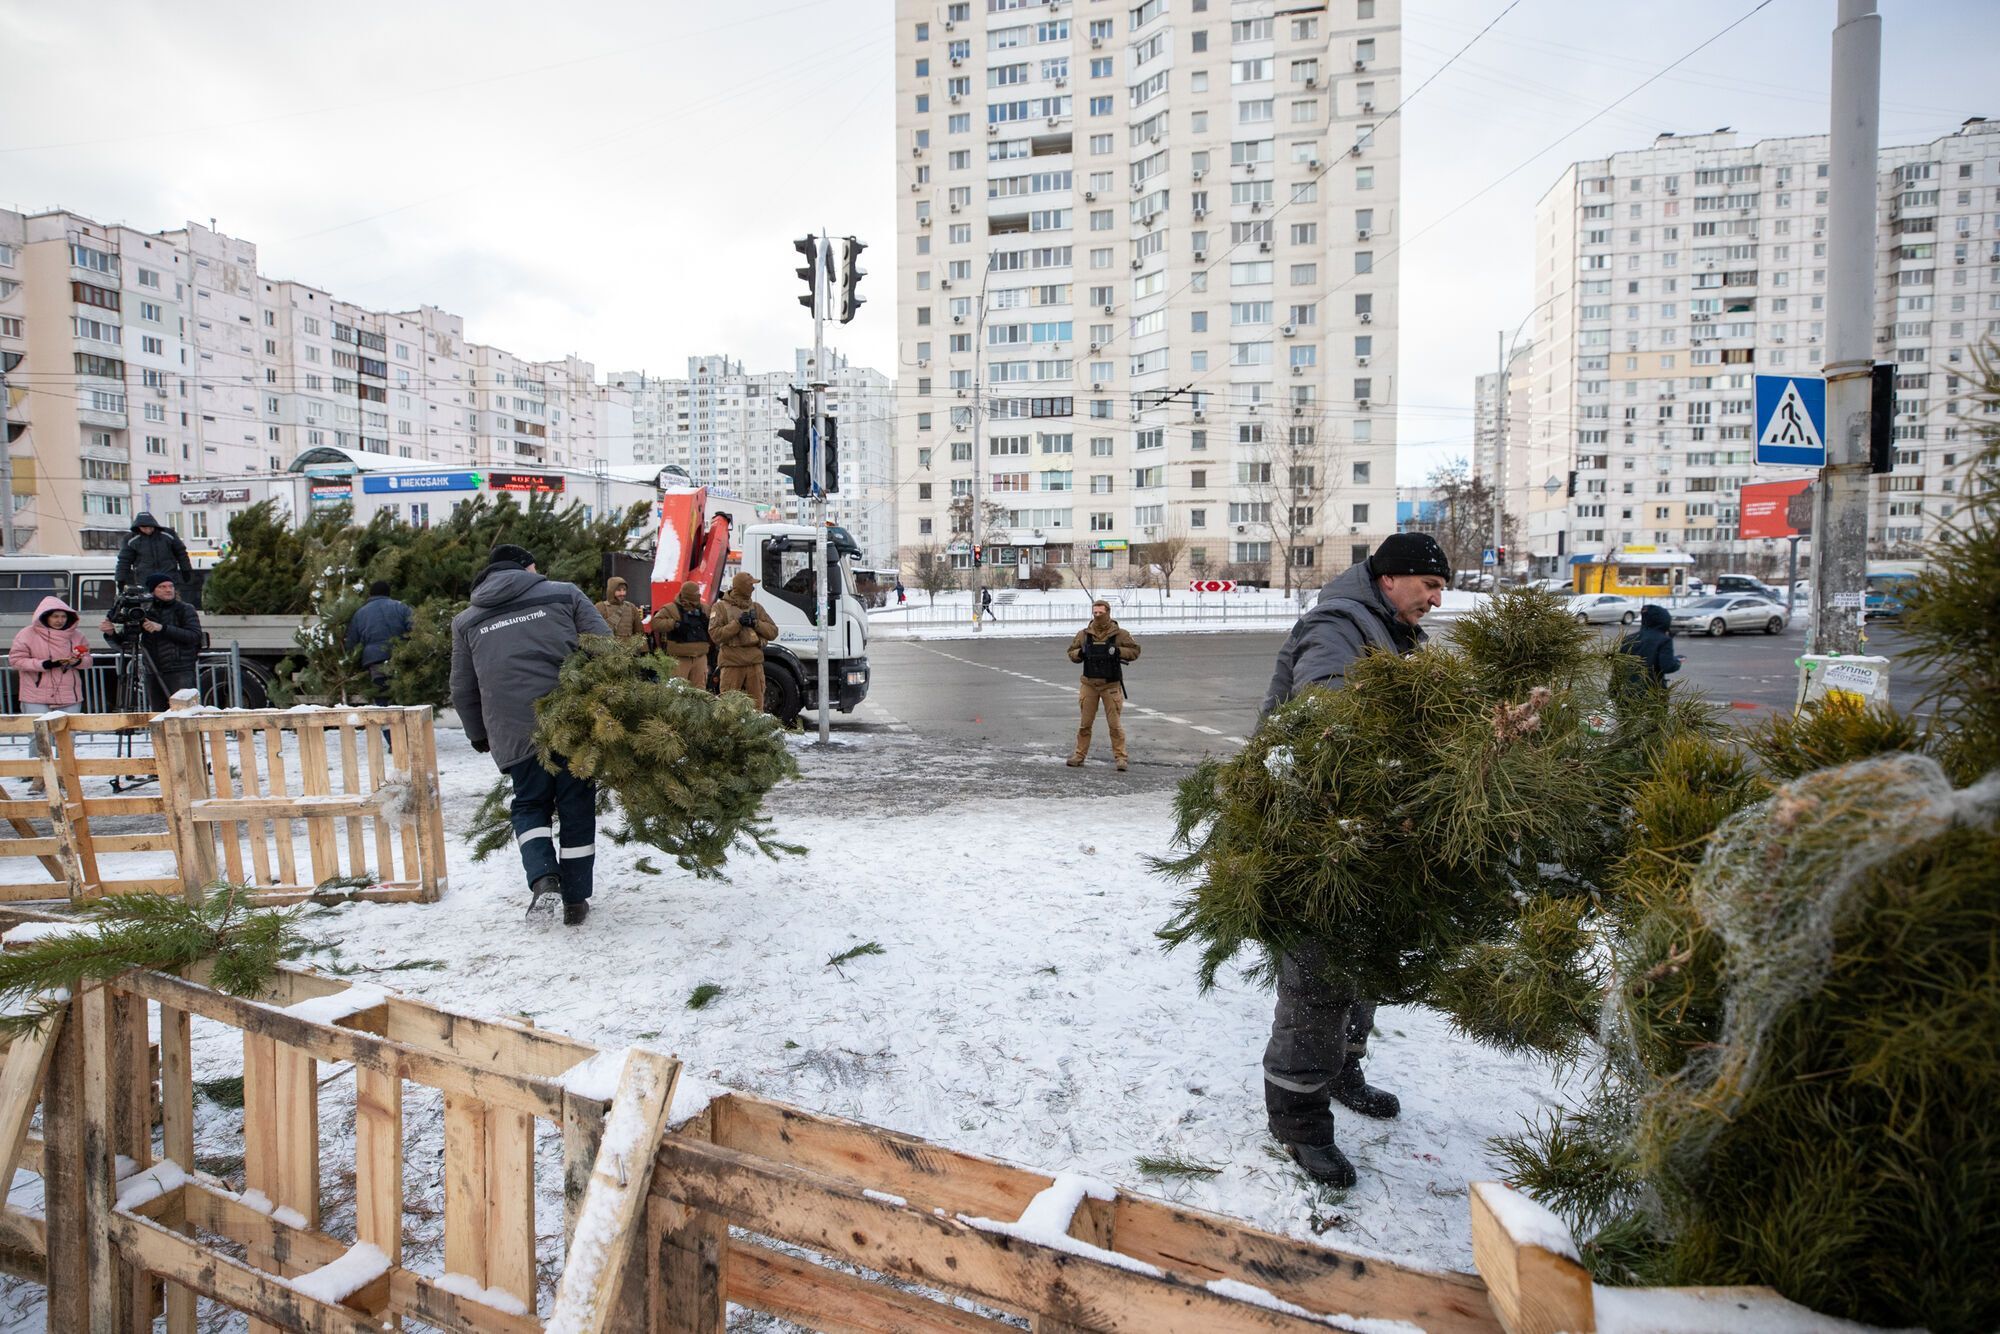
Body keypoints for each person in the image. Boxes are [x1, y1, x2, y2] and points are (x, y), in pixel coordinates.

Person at [1258, 532, 1452, 1189]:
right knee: (1316, 976)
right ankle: (1300, 1126)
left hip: (1371, 825)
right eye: (1429, 585)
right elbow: (1328, 716)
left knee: (1365, 960)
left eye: (1441, 590)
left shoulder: (1395, 632)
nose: (1435, 598)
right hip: (1319, 830)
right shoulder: (1342, 625)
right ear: (1392, 578)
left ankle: (1343, 1068)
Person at [450, 543, 611, 927]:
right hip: (571, 721)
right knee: (575, 806)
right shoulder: (564, 592)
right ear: (527, 567)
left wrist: (478, 734)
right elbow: (604, 647)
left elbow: (462, 686)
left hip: (513, 730)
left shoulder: (467, 621)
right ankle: (575, 900)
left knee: (529, 805)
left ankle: (543, 879)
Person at [10, 596, 92, 778]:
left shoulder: (77, 635)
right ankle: (38, 775)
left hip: (68, 693)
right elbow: (15, 660)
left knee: (67, 736)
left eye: (63, 616)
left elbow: (88, 660)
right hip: (35, 693)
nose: (59, 620)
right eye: (55, 616)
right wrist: (44, 664)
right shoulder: (26, 634)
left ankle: (65, 774)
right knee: (39, 735)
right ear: (45, 616)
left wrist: (77, 661)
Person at [101, 573, 203, 706]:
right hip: (152, 671)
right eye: (162, 587)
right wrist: (111, 634)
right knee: (157, 713)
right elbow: (126, 645)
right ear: (152, 591)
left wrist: (162, 628)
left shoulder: (184, 609)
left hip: (180, 670)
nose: (168, 589)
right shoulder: (144, 612)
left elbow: (194, 636)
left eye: (171, 586)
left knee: (183, 712)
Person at [1066, 599, 1140, 770]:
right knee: (1085, 724)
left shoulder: (1120, 634)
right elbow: (1071, 653)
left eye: (1101, 613)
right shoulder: (1084, 634)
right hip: (1089, 684)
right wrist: (1081, 653)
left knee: (1114, 725)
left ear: (1108, 613)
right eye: (1095, 613)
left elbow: (1135, 651)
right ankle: (1079, 755)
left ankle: (1121, 757)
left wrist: (1118, 651)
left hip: (1110, 685)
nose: (1098, 616)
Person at [709, 572, 777, 708]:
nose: (753, 589)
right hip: (732, 665)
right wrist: (737, 624)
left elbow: (773, 631)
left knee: (757, 709)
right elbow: (715, 635)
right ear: (742, 587)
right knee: (729, 709)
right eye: (751, 585)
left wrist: (756, 623)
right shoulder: (720, 607)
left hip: (754, 664)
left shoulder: (756, 608)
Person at [345, 581, 415, 706]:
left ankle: (384, 719)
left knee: (381, 690)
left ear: (371, 594)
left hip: (374, 658)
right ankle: (403, 719)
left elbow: (352, 641)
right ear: (388, 593)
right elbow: (415, 628)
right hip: (399, 654)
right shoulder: (401, 607)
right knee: (402, 690)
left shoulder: (360, 613)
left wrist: (353, 660)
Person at [114, 512, 193, 598]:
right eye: (144, 528)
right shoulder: (131, 539)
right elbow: (124, 561)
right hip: (146, 584)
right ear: (138, 527)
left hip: (168, 581)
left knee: (173, 608)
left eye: (150, 527)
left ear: (154, 525)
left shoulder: (168, 534)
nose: (148, 530)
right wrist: (121, 580)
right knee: (148, 609)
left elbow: (181, 553)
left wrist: (186, 570)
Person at [1614, 603, 1681, 694]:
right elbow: (1667, 666)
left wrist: (1613, 691)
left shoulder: (1629, 639)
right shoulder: (1664, 640)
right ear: (1665, 621)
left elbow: (1618, 668)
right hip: (1652, 693)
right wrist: (1677, 661)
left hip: (1629, 693)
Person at [659, 582, 712, 688]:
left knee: (699, 691)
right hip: (680, 658)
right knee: (677, 690)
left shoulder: (705, 609)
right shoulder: (670, 608)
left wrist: (708, 622)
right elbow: (656, 623)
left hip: (700, 657)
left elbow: (715, 627)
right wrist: (675, 624)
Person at [595, 576, 646, 641]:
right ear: (611, 591)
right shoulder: (600, 607)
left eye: (624, 590)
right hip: (608, 649)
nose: (622, 593)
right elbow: (593, 632)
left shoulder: (631, 607)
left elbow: (639, 633)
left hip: (628, 649)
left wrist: (644, 650)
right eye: (619, 590)